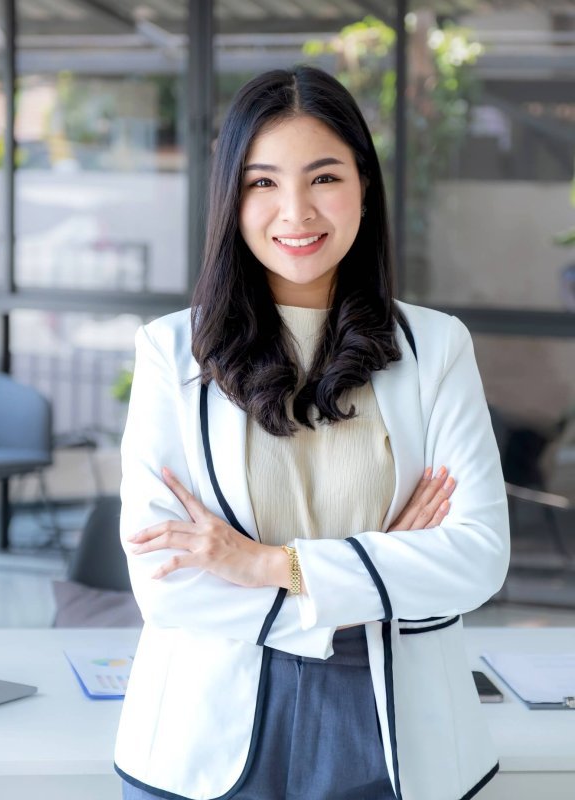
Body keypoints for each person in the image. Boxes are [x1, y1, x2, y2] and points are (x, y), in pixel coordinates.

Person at [114, 65, 509, 800]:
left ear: (363, 184)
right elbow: (166, 585)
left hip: (400, 734)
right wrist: (389, 563)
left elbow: (479, 559)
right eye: (262, 183)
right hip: (205, 737)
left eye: (323, 177)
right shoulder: (172, 354)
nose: (295, 212)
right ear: (231, 199)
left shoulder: (437, 347)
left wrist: (271, 565)